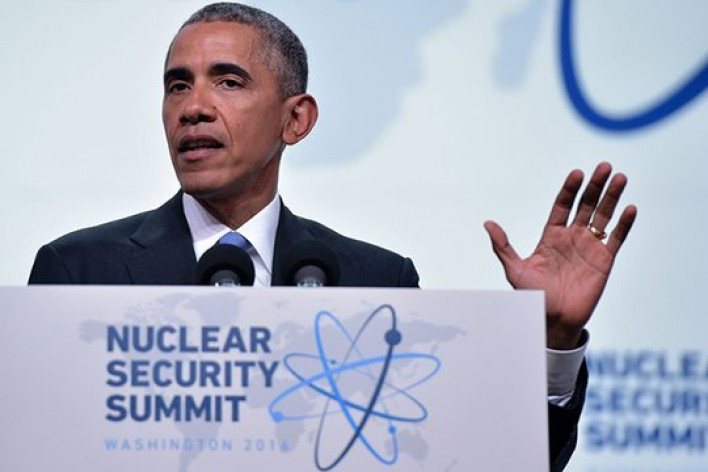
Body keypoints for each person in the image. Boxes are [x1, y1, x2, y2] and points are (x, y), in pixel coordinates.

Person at [28, 3, 637, 470]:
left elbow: (476, 460)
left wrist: (553, 342)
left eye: (228, 82)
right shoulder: (79, 272)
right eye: (178, 84)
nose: (194, 107)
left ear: (296, 119)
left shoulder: (377, 282)